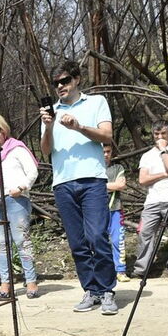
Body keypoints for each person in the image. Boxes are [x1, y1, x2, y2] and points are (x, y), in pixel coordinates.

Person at [40, 59, 117, 314]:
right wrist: (48, 127)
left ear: (76, 80)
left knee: (97, 235)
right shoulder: (51, 111)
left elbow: (107, 136)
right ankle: (91, 290)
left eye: (65, 81)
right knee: (77, 242)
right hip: (62, 182)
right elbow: (45, 151)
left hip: (92, 179)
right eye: (56, 83)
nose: (60, 86)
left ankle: (107, 290)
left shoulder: (96, 102)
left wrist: (79, 127)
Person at [0, 114, 39, 299]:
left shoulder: (17, 149)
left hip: (15, 199)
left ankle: (31, 281)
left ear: (5, 129)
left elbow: (32, 171)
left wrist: (21, 188)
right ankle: (6, 283)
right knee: (1, 244)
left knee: (22, 241)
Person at [132, 121, 168, 280]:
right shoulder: (147, 155)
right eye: (156, 134)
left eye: (163, 133)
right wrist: (164, 175)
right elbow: (143, 180)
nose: (159, 137)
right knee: (145, 233)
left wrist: (164, 150)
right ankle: (142, 268)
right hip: (152, 201)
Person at [103, 144, 130, 282]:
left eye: (108, 151)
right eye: (103, 152)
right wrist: (110, 186)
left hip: (115, 209)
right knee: (98, 241)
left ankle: (120, 270)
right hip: (97, 211)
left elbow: (120, 185)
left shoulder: (117, 168)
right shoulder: (92, 169)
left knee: (117, 239)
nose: (106, 154)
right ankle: (103, 270)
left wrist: (99, 186)